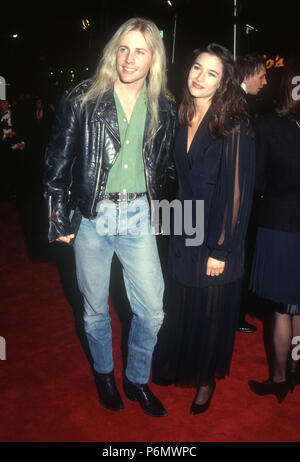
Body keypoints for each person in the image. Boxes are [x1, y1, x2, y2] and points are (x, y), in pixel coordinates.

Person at [44, 17, 177, 417]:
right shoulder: (83, 98)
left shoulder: (163, 108)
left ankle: (136, 380)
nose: (129, 58)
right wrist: (57, 219)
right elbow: (57, 163)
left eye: (139, 50)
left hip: (138, 216)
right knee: (95, 308)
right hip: (92, 218)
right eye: (123, 48)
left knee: (153, 310)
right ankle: (104, 374)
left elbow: (165, 170)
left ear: (154, 57)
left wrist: (165, 217)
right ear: (113, 51)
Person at [152, 43, 255, 414]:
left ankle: (206, 380)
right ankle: (182, 365)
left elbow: (238, 194)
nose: (200, 77)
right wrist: (164, 227)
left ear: (223, 82)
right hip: (183, 224)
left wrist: (221, 249)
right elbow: (176, 180)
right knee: (182, 304)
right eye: (197, 68)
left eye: (212, 73)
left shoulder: (235, 124)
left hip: (216, 229)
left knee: (210, 312)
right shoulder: (181, 116)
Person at [248, 58, 300, 403]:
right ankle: (295, 372)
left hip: (280, 224)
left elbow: (257, 180)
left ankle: (281, 378)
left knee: (283, 309)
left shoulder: (268, 127)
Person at [234, 52, 267, 333]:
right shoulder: (238, 106)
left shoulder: (242, 104)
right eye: (262, 75)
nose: (265, 81)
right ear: (247, 76)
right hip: (237, 199)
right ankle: (231, 316)